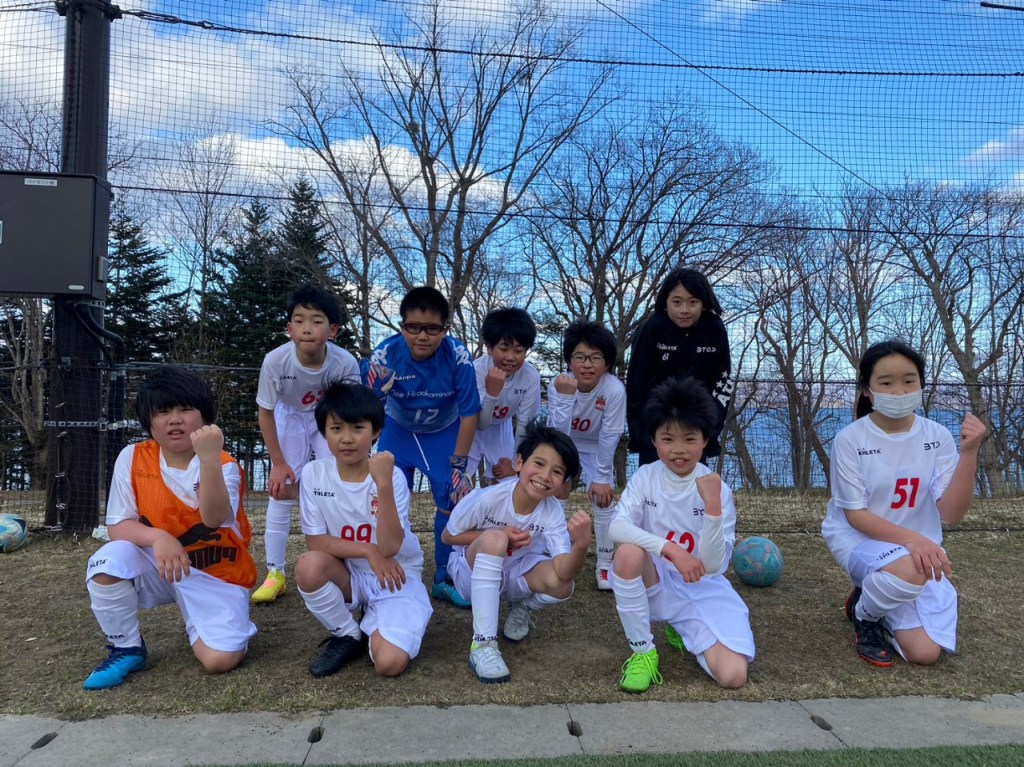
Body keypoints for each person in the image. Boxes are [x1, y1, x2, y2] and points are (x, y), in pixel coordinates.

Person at [82, 367, 257, 690]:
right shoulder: (132, 457)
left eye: (185, 409)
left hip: (215, 571)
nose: (174, 420)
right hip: (161, 565)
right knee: (107, 562)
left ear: (205, 417)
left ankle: (205, 620)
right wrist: (158, 537)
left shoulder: (224, 464)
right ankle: (126, 647)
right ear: (148, 421)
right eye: (162, 412)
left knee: (219, 660)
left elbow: (214, 519)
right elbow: (118, 525)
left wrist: (209, 459)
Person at [822, 340, 987, 667]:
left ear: (921, 384)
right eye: (886, 383)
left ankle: (875, 594)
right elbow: (855, 515)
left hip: (916, 551)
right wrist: (914, 541)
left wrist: (969, 453)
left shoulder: (937, 436)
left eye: (909, 381)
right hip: (861, 539)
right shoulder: (851, 439)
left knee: (924, 653)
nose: (899, 391)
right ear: (867, 390)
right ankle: (865, 615)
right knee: (909, 569)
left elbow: (951, 513)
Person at [609, 376, 753, 693]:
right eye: (667, 439)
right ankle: (643, 653)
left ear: (704, 440)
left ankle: (682, 627)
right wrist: (670, 550)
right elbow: (616, 527)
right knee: (628, 553)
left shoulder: (717, 488)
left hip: (702, 585)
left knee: (733, 677)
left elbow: (714, 566)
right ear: (653, 440)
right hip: (657, 579)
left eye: (689, 439)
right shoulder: (645, 477)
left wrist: (712, 507)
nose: (678, 450)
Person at [295, 381, 432, 678]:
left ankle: (383, 617)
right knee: (308, 566)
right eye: (336, 428)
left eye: (357, 428)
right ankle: (348, 633)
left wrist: (382, 484)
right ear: (324, 433)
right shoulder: (313, 474)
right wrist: (368, 551)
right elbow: (316, 541)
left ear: (376, 432)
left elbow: (390, 548)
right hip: (349, 572)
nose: (347, 438)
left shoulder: (392, 477)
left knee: (389, 664)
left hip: (395, 572)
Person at [441, 424, 591, 683]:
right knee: (496, 539)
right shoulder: (488, 497)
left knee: (563, 585)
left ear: (563, 482)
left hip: (515, 572)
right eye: (539, 464)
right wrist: (499, 535)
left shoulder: (553, 512)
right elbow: (448, 536)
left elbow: (563, 572)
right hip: (469, 573)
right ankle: (483, 645)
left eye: (557, 472)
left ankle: (522, 606)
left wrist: (581, 546)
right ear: (519, 463)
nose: (545, 476)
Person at [362, 285, 481, 608]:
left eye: (432, 329)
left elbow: (470, 413)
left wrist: (459, 466)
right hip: (398, 431)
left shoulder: (458, 356)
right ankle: (390, 571)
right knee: (385, 501)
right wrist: (374, 390)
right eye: (413, 327)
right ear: (401, 327)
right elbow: (367, 411)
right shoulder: (385, 355)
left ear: (445, 329)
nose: (422, 336)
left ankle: (443, 577)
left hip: (442, 432)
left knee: (452, 499)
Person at [253, 284, 359, 604]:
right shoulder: (275, 361)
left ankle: (343, 562)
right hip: (289, 417)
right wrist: (278, 462)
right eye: (299, 321)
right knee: (282, 490)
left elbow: (351, 409)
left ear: (333, 330)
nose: (307, 328)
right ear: (289, 328)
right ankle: (275, 573)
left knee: (338, 485)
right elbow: (266, 413)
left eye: (316, 321)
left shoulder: (345, 362)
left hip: (329, 419)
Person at [547, 319, 626, 590]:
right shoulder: (559, 383)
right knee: (557, 491)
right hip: (565, 443)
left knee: (603, 498)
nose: (587, 364)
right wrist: (565, 398)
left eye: (595, 357)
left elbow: (611, 433)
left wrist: (602, 477)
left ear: (607, 362)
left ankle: (604, 564)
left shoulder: (614, 389)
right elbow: (557, 432)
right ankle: (555, 553)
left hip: (596, 446)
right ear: (570, 361)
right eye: (579, 357)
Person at [626, 267, 732, 466]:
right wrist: (641, 434)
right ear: (665, 303)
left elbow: (723, 383)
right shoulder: (652, 328)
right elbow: (635, 383)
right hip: (656, 431)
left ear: (703, 303)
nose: (684, 310)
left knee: (693, 484)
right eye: (677, 302)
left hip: (696, 430)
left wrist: (709, 431)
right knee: (652, 484)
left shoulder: (714, 329)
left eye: (693, 302)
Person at [467, 307, 542, 484]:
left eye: (518, 350)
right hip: (470, 426)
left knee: (506, 480)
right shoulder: (475, 371)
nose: (510, 357)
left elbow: (525, 424)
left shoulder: (530, 377)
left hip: (501, 426)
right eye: (504, 348)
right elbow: (481, 424)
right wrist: (492, 393)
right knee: (463, 478)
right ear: (489, 348)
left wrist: (516, 463)